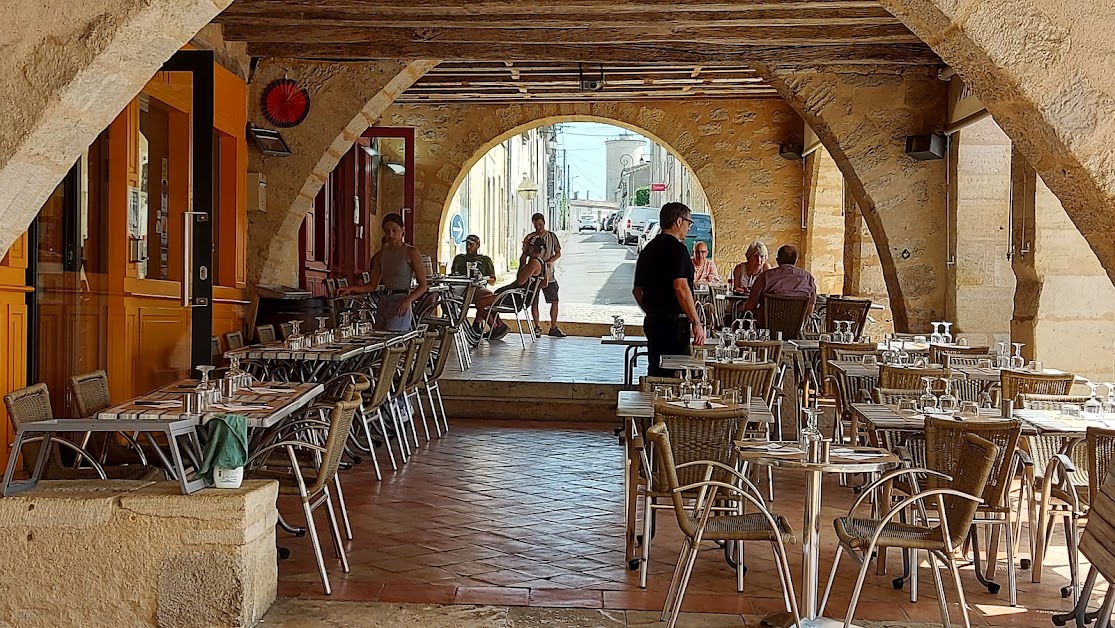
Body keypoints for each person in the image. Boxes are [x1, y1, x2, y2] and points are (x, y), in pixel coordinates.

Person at [633, 202, 706, 377]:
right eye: (689, 222)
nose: (689, 228)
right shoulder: (678, 250)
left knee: (656, 371)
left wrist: (652, 311)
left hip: (653, 321)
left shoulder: (648, 249)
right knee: (675, 374)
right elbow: (681, 288)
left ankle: (654, 403)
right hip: (674, 325)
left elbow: (637, 291)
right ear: (679, 221)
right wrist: (696, 322)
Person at [341, 212, 428, 331]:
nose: (391, 234)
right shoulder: (380, 255)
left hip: (400, 300)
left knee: (394, 340)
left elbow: (423, 285)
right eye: (387, 231)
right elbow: (372, 286)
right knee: (379, 338)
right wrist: (352, 289)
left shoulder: (411, 252)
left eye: (394, 230)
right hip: (383, 301)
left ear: (402, 231)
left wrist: (408, 301)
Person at [473, 237, 546, 341]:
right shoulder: (541, 262)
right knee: (487, 298)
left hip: (516, 298)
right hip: (517, 296)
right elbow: (545, 283)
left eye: (525, 245)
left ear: (531, 248)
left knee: (480, 303)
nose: (523, 247)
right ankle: (498, 326)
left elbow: (520, 280)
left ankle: (497, 327)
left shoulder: (533, 263)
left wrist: (522, 262)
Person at [742, 244, 817, 324]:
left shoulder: (765, 277)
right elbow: (809, 310)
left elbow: (750, 306)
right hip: (796, 327)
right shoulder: (808, 278)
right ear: (796, 260)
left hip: (766, 326)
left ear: (778, 260)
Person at [522, 213, 565, 337]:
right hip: (533, 276)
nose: (538, 228)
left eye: (540, 225)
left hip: (548, 274)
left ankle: (553, 326)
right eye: (536, 226)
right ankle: (537, 327)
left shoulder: (551, 236)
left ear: (544, 223)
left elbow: (558, 253)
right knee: (534, 301)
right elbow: (525, 253)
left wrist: (548, 262)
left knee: (554, 301)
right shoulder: (530, 238)